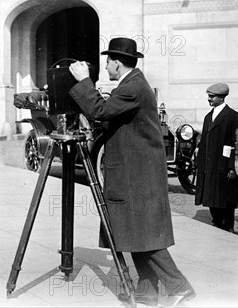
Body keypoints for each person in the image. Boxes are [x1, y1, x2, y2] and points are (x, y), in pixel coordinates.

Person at [68, 37, 195, 307]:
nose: (105, 67)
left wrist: (83, 82)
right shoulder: (131, 84)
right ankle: (147, 292)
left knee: (141, 233)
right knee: (135, 233)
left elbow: (99, 111)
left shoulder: (132, 87)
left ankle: (178, 286)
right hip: (136, 173)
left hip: (136, 176)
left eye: (107, 62)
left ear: (117, 62)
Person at [195, 83, 238, 232]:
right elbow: (204, 142)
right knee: (210, 196)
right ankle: (217, 225)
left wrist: (233, 167)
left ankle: (227, 228)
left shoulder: (234, 117)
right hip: (209, 166)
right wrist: (199, 163)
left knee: (225, 200)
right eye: (208, 96)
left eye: (212, 96)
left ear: (222, 97)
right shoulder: (208, 117)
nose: (209, 99)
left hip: (224, 166)